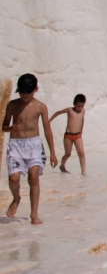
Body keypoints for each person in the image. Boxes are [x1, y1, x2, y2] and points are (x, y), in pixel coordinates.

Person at [2, 74, 58, 224]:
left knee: (33, 178)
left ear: (36, 89)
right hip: (16, 145)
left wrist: (53, 153)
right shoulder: (12, 105)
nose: (24, 94)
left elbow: (47, 130)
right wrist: (11, 127)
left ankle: (34, 214)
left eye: (28, 91)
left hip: (34, 145)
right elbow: (4, 126)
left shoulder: (41, 107)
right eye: (22, 92)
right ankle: (16, 198)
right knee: (13, 178)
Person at [49, 94, 87, 175]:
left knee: (81, 153)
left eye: (82, 106)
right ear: (74, 104)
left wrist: (81, 131)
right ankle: (62, 165)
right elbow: (58, 112)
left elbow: (82, 120)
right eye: (78, 106)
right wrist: (49, 121)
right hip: (68, 136)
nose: (80, 108)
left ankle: (83, 172)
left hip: (77, 135)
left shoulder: (83, 111)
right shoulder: (70, 110)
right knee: (68, 153)